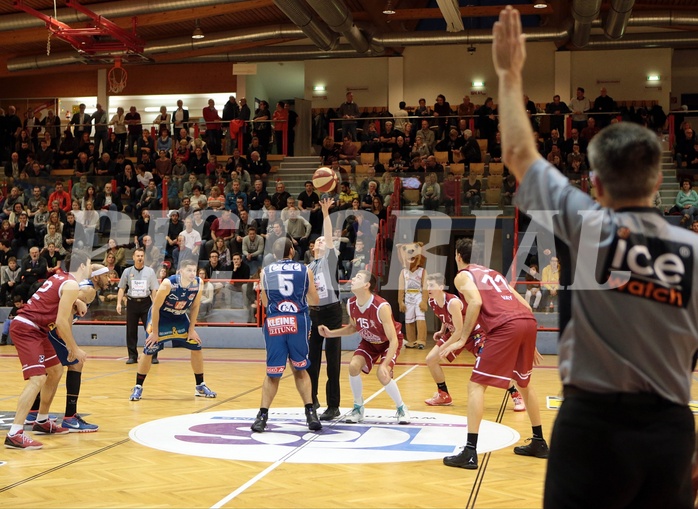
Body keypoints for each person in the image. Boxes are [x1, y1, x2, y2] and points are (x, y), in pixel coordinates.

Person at [493, 8, 697, 507]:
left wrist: (509, 72)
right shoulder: (695, 252)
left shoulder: (585, 223)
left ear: (597, 184)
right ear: (657, 182)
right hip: (670, 430)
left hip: (593, 426)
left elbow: (519, 153)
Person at [442, 238, 546, 470]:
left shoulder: (462, 276)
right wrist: (529, 341)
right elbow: (526, 308)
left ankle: (469, 452)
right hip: (526, 323)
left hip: (505, 327)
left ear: (458, 255)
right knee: (524, 384)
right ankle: (539, 441)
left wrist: (461, 338)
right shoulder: (494, 274)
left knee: (476, 385)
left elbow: (476, 302)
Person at [4, 250, 90, 450]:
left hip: (37, 329)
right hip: (27, 327)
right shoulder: (71, 284)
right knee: (38, 378)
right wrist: (74, 349)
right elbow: (61, 321)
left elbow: (52, 300)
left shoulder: (61, 278)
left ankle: (42, 421)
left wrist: (76, 301)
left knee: (56, 370)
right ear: (82, 266)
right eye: (89, 265)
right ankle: (15, 433)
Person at [25, 264, 111, 432]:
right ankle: (70, 418)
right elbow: (65, 311)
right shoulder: (88, 291)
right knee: (76, 362)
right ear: (96, 277)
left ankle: (33, 413)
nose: (109, 279)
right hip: (52, 330)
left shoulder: (83, 286)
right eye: (106, 276)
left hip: (46, 328)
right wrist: (71, 344)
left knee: (48, 371)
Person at [319, 270, 410, 425]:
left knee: (383, 374)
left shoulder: (381, 306)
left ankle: (401, 407)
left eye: (358, 277)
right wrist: (330, 334)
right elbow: (352, 328)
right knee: (353, 366)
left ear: (367, 285)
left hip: (388, 342)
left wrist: (385, 363)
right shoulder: (351, 303)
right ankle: (358, 407)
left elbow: (393, 340)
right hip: (369, 342)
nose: (353, 279)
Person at [251, 237, 321, 433]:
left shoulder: (265, 272)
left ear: (274, 254)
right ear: (292, 251)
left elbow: (264, 302)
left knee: (273, 373)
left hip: (275, 323)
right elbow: (314, 299)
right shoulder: (305, 270)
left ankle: (262, 416)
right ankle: (310, 413)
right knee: (300, 369)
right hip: (298, 322)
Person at [129, 258, 217, 401]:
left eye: (194, 270)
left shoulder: (198, 283)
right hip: (161, 316)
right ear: (180, 271)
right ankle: (138, 387)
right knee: (149, 348)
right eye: (189, 270)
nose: (192, 273)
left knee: (197, 346)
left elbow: (195, 307)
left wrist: (191, 329)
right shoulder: (168, 283)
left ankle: (200, 385)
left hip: (180, 316)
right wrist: (155, 333)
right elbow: (156, 307)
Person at [307, 199, 343, 420]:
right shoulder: (308, 267)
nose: (321, 241)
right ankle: (312, 399)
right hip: (313, 313)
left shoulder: (330, 259)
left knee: (332, 361)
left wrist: (325, 212)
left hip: (331, 312)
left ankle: (334, 405)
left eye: (323, 240)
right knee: (311, 360)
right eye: (318, 240)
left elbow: (328, 237)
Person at [116, 248, 159, 364]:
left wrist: (155, 304)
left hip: (146, 303)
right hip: (132, 303)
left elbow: (154, 289)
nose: (140, 258)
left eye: (142, 256)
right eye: (138, 256)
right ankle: (132, 356)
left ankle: (153, 355)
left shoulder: (150, 271)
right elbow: (121, 288)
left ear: (144, 257)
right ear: (133, 258)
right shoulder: (127, 272)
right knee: (131, 331)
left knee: (150, 330)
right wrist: (119, 303)